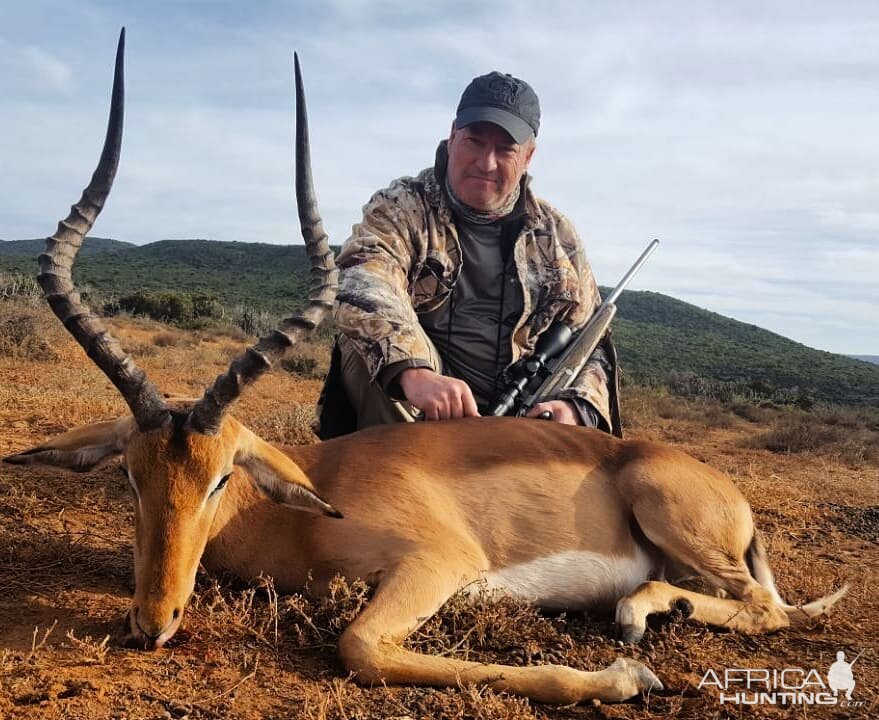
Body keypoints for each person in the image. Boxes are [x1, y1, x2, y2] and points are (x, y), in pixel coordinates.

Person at [316, 71, 621, 439]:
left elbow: (591, 342)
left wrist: (575, 407)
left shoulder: (558, 235)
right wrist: (414, 373)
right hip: (420, 410)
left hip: (519, 423)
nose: (486, 162)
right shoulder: (402, 206)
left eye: (505, 150)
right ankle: (392, 481)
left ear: (528, 156)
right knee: (362, 345)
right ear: (453, 134)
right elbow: (364, 278)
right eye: (474, 141)